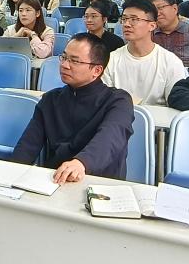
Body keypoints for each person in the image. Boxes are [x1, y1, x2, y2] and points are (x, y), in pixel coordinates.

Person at [11, 33, 134, 181]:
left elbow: (110, 139)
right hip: (56, 179)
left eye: (74, 61)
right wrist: (11, 174)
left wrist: (82, 162)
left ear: (96, 70)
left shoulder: (118, 101)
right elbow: (28, 146)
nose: (64, 65)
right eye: (64, 57)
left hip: (100, 182)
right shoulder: (51, 99)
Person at [102, 0, 186, 106]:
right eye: (124, 19)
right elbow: (105, 101)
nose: (126, 24)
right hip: (119, 114)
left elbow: (177, 101)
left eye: (134, 19)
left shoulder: (171, 62)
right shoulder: (111, 60)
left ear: (152, 25)